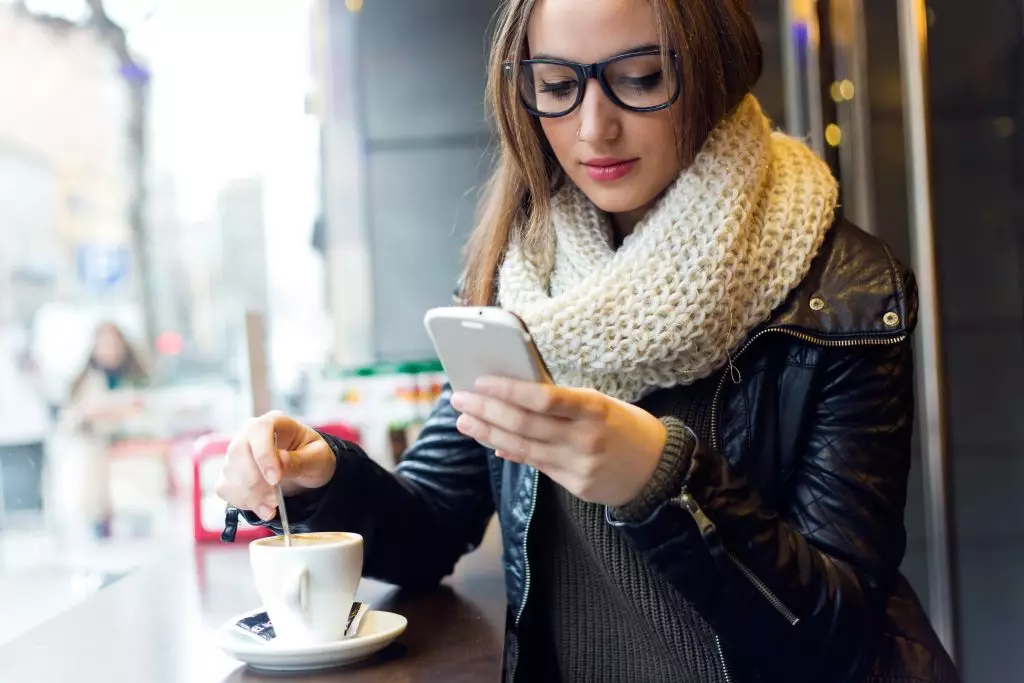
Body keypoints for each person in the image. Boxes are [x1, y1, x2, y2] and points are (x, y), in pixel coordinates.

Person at [217, 1, 959, 681]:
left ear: (712, 69)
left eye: (641, 78)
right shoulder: (522, 274)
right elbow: (432, 525)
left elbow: (837, 631)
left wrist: (661, 480)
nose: (593, 126)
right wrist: (322, 477)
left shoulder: (846, 292)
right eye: (556, 84)